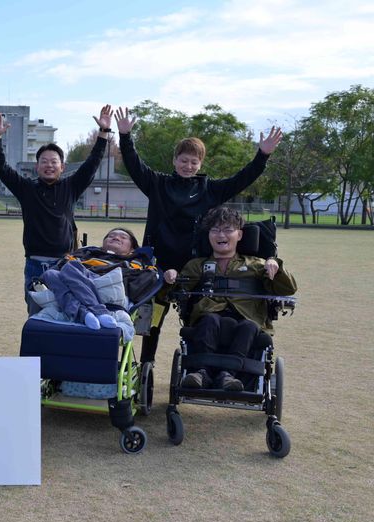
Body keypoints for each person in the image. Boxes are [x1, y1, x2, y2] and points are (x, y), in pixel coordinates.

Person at [114, 106, 284, 364]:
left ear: (201, 164)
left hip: (196, 270)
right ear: (175, 160)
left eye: (194, 162)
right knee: (152, 323)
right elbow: (134, 165)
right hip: (158, 268)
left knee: (201, 320)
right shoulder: (158, 184)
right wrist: (125, 136)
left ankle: (199, 369)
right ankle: (147, 366)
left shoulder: (210, 190)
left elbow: (242, 179)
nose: (188, 166)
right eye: (184, 160)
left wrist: (263, 155)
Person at [0, 105, 113, 310]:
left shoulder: (71, 186)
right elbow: (1, 168)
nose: (49, 165)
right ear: (36, 166)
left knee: (67, 313)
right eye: (44, 162)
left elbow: (92, 164)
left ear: (62, 167)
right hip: (34, 264)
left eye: (54, 162)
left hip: (65, 264)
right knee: (37, 314)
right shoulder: (26, 189)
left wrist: (103, 133)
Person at [164, 206, 297, 390]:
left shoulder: (257, 265)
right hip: (207, 316)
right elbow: (174, 293)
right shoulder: (197, 265)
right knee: (210, 319)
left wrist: (276, 266)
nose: (221, 235)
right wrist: (170, 279)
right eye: (215, 230)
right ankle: (201, 373)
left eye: (228, 229)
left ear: (239, 235)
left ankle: (228, 376)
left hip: (247, 318)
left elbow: (288, 289)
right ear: (208, 235)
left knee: (249, 326)